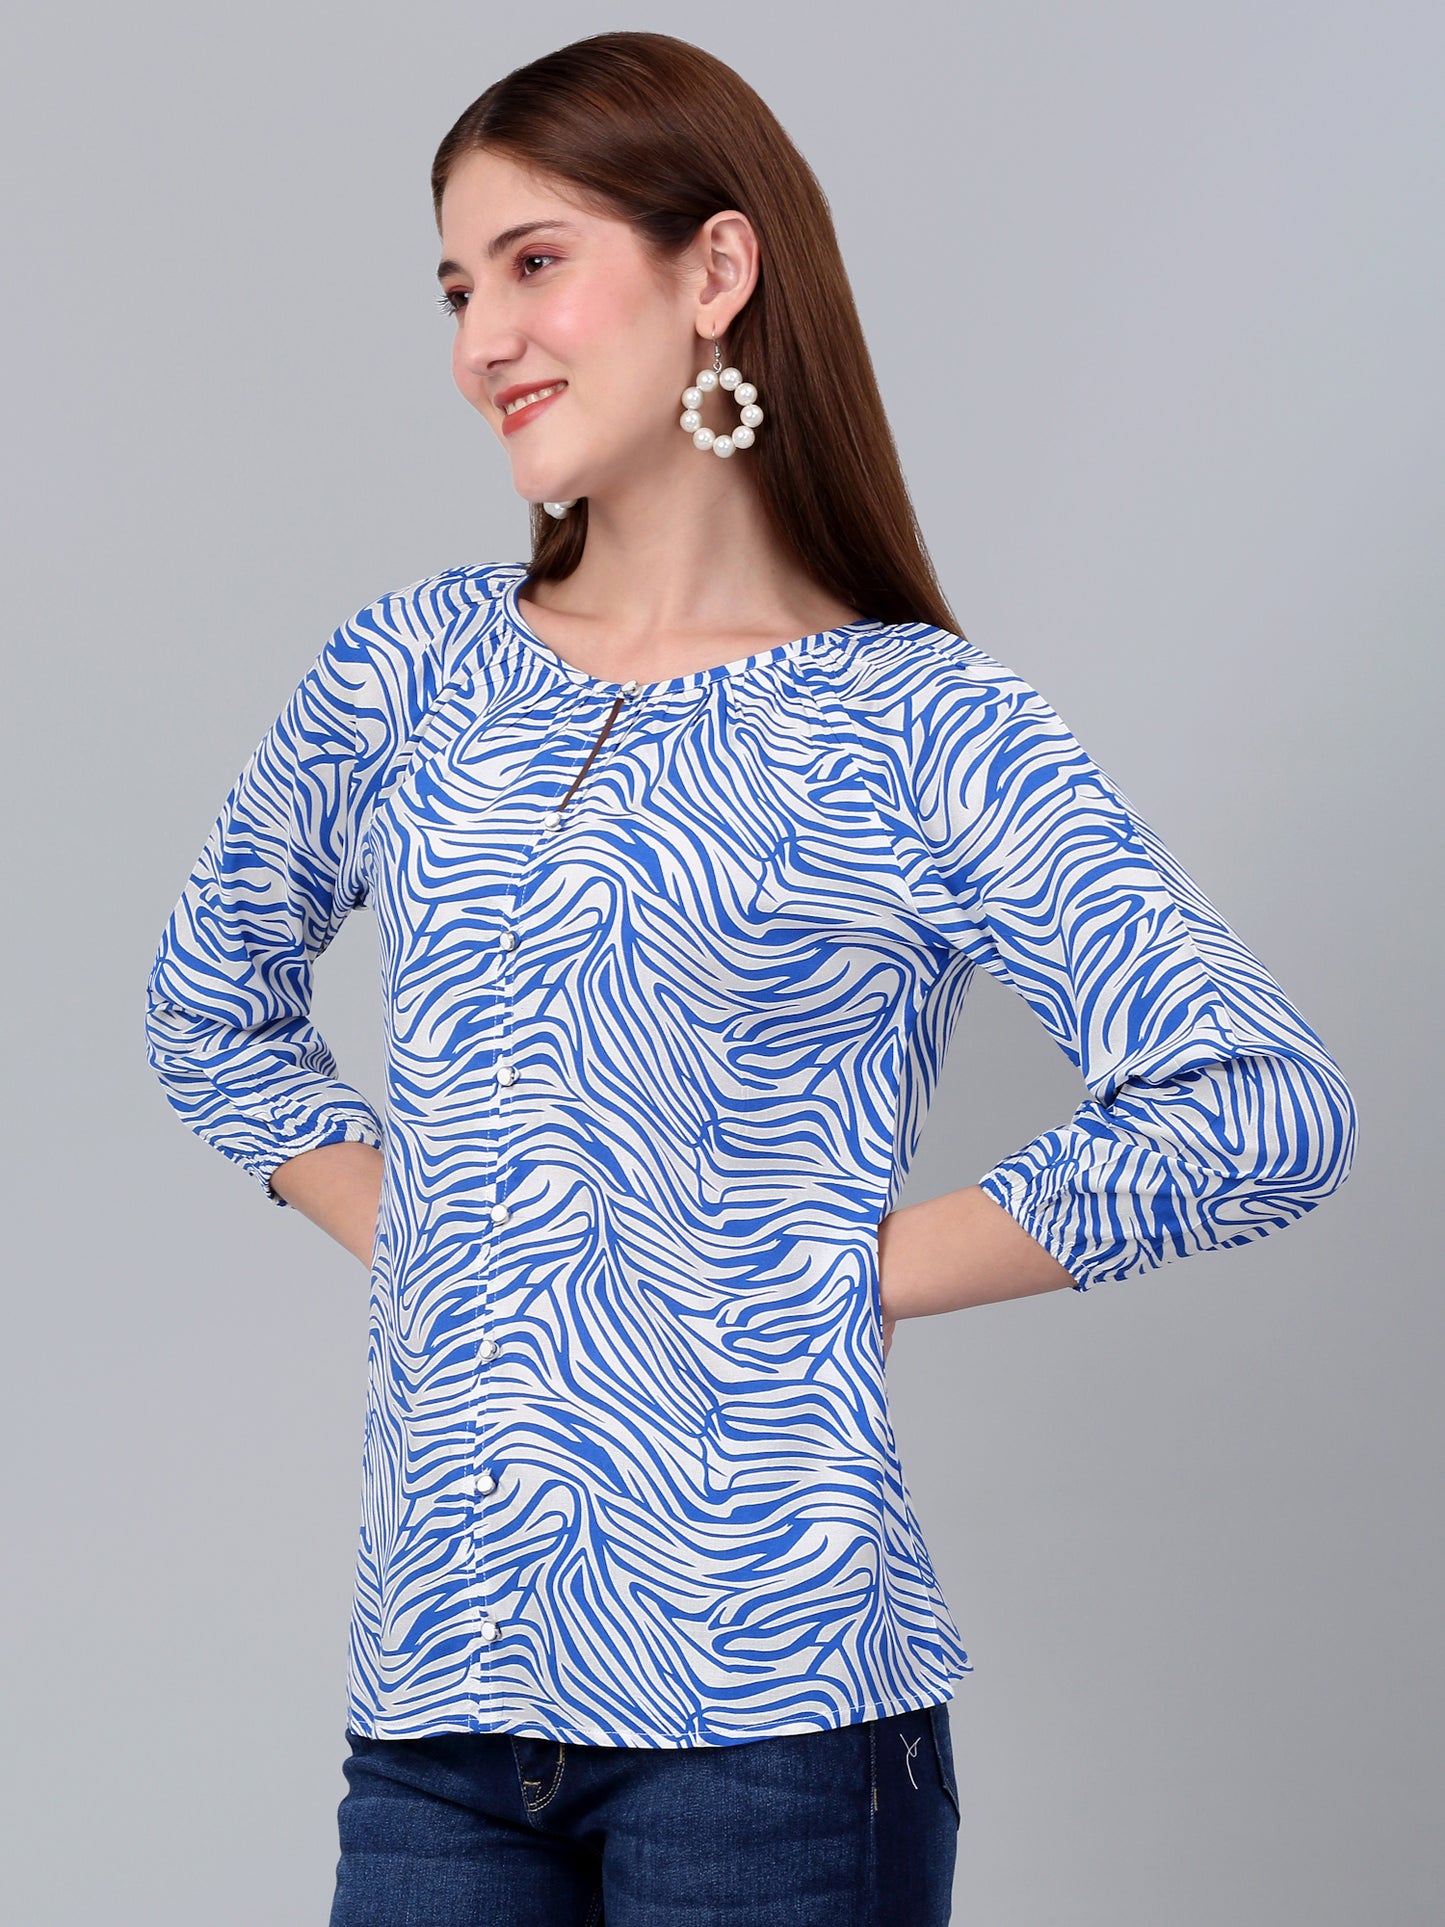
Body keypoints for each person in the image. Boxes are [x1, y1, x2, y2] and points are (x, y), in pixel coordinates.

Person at [142, 30, 1358, 1927]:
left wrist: (832, 1272)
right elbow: (206, 1009)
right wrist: (429, 1230)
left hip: (774, 1720)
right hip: (437, 1712)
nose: (480, 339)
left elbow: (1260, 1108)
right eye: (457, 289)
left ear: (714, 270)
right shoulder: (409, 670)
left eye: (534, 263)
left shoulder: (922, 725)